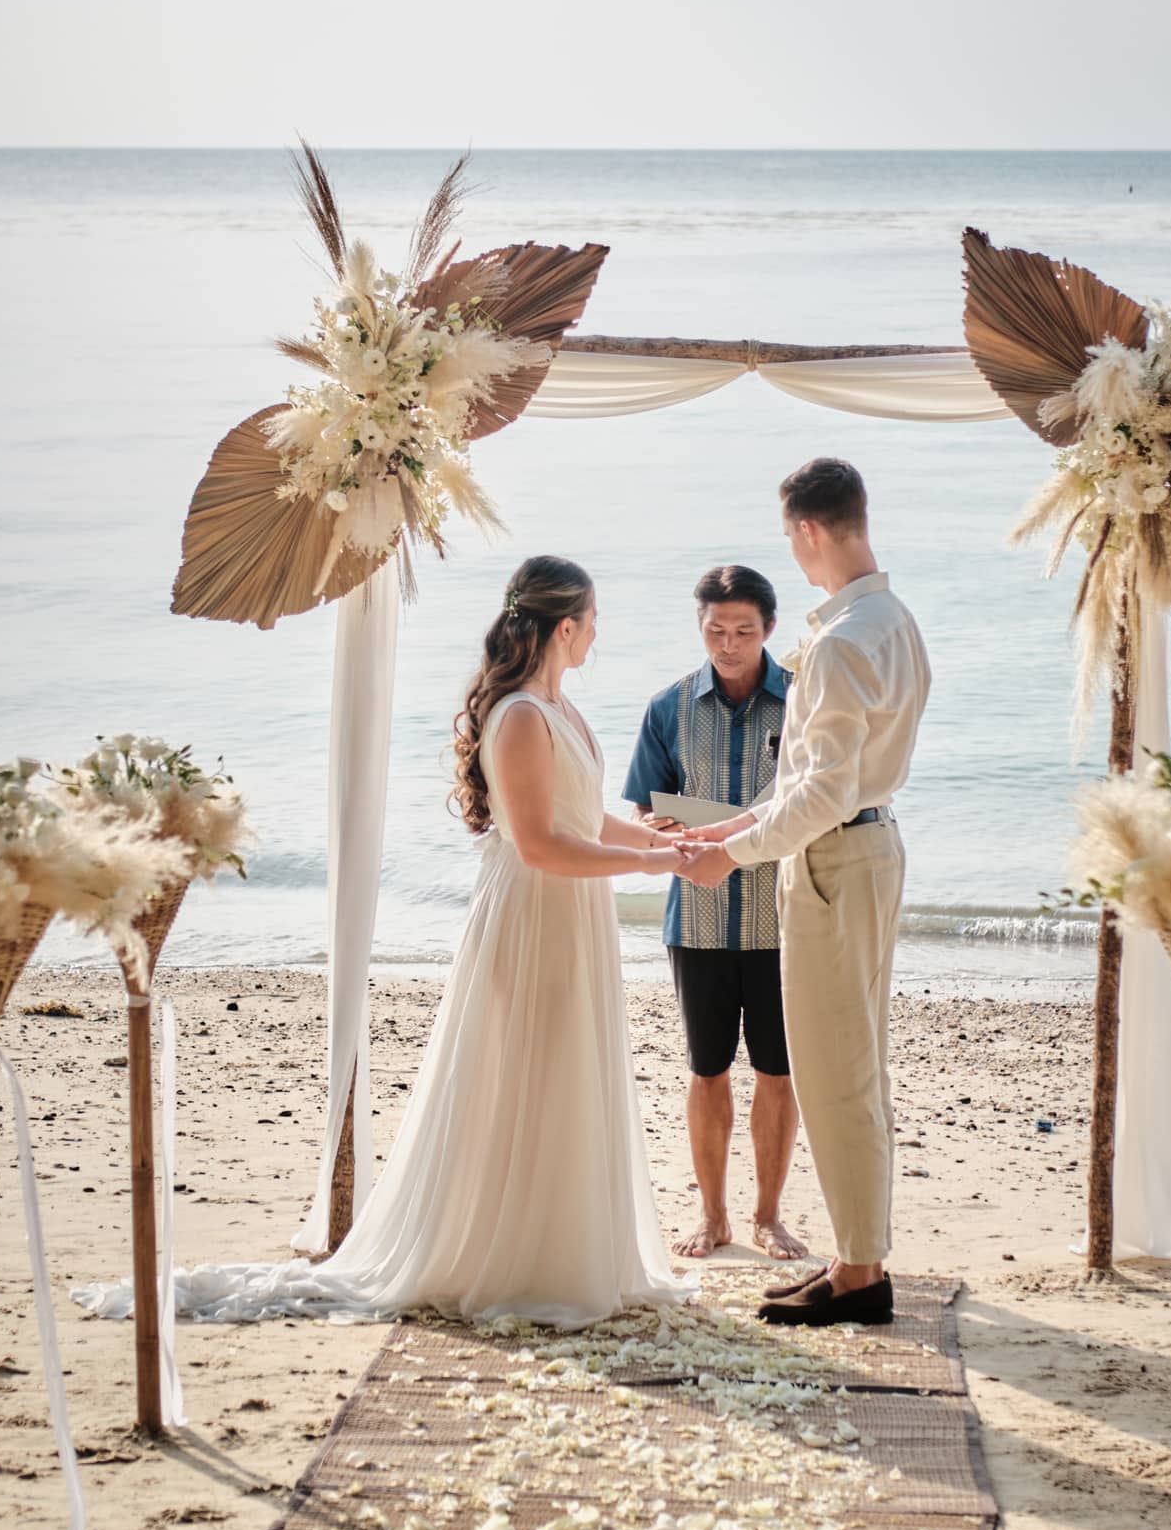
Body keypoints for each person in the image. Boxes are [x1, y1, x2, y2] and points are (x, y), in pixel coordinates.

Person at [94, 558, 699, 1330]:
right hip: (532, 915)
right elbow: (543, 844)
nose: (596, 637)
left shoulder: (562, 710)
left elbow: (582, 818)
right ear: (566, 625)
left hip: (575, 914)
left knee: (568, 1065)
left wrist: (662, 835)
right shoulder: (516, 715)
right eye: (592, 621)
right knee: (527, 1069)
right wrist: (652, 863)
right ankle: (511, 1253)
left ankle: (566, 1245)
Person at [683, 460, 930, 1329]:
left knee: (834, 1074)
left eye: (789, 535)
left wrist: (734, 854)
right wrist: (720, 832)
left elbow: (820, 793)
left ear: (807, 531)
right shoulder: (892, 620)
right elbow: (828, 779)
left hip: (834, 860)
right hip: (873, 845)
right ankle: (854, 1256)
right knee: (855, 1065)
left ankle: (861, 1274)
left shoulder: (836, 642)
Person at [623, 564, 804, 1263]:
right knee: (705, 1070)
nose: (728, 645)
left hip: (784, 921)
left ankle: (766, 1216)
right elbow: (647, 811)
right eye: (715, 631)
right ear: (699, 626)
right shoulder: (667, 707)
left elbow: (813, 809)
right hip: (695, 922)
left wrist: (722, 828)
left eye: (743, 631)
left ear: (769, 629)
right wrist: (734, 828)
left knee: (777, 1071)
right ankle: (713, 1215)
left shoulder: (804, 704)